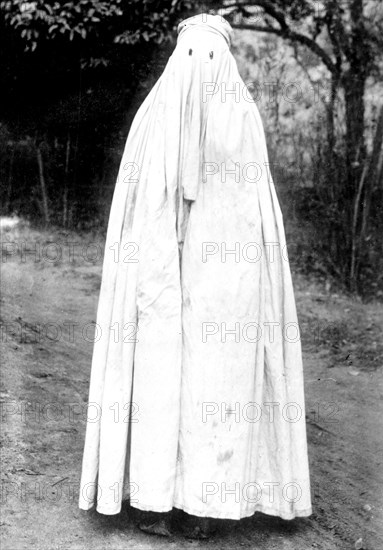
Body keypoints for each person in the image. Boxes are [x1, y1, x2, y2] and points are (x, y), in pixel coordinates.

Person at [78, 13, 312, 538]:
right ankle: (153, 498)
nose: (197, 70)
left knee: (217, 379)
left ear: (224, 60)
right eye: (190, 58)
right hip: (158, 273)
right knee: (157, 373)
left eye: (208, 58)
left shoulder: (239, 118)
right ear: (175, 59)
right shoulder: (155, 118)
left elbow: (253, 213)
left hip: (224, 280)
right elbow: (136, 208)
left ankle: (207, 504)